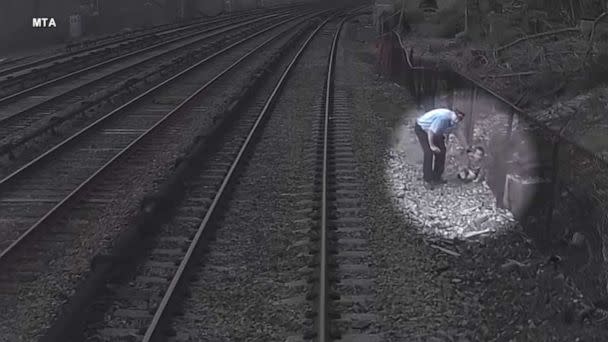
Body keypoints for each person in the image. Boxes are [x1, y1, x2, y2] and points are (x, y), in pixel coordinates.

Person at [414, 108, 466, 188]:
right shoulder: (443, 118)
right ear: (454, 113)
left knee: (442, 151)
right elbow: (431, 131)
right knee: (429, 153)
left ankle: (437, 177)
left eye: (460, 119)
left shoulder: (455, 122)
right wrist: (432, 146)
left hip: (436, 131)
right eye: (457, 117)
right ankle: (427, 179)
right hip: (423, 129)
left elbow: (459, 133)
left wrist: (466, 147)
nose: (458, 120)